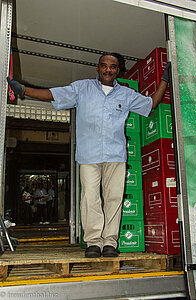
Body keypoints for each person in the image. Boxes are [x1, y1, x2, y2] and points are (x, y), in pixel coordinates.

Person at [7, 53, 170, 257]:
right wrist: (24, 90)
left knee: (113, 199)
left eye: (112, 67)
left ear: (118, 70)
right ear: (97, 68)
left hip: (115, 155)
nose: (108, 70)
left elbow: (150, 104)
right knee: (90, 198)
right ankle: (94, 242)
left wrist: (164, 80)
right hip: (88, 155)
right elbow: (53, 94)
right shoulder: (82, 88)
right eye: (104, 66)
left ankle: (110, 242)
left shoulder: (126, 95)